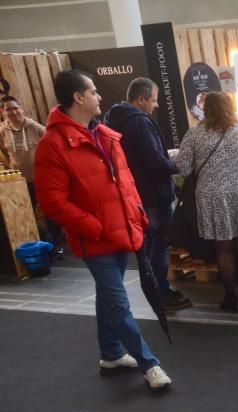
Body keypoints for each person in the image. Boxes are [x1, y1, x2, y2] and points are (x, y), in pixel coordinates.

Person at [34, 70, 171, 391]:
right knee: (117, 299)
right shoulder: (52, 145)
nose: (100, 97)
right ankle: (149, 363)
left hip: (121, 230)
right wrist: (93, 226)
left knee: (108, 296)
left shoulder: (105, 135)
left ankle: (110, 354)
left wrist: (136, 214)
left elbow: (127, 182)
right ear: (78, 98)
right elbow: (52, 202)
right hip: (96, 238)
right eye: (93, 92)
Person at [176, 91, 238, 311]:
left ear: (205, 109)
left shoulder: (194, 134)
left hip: (212, 197)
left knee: (223, 248)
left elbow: (183, 167)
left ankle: (229, 297)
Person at [105, 77, 192, 311]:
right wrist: (180, 165)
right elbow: (155, 161)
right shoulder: (139, 122)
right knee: (160, 245)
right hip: (154, 194)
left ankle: (156, 290)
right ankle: (161, 293)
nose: (157, 105)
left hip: (135, 195)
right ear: (141, 99)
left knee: (149, 245)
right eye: (154, 100)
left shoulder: (113, 119)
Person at [1, 95, 63, 254]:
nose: (13, 112)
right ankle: (37, 245)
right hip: (19, 183)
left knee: (49, 211)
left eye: (16, 108)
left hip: (41, 179)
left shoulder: (36, 127)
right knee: (26, 213)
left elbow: (52, 145)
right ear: (3, 112)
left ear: (21, 109)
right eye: (9, 109)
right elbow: (5, 153)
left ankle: (56, 244)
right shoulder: (2, 132)